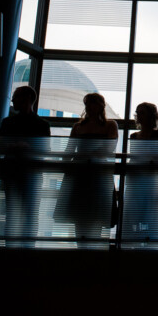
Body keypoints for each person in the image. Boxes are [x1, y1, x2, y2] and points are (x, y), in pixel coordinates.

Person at [56, 92, 119, 244]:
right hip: (85, 174)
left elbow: (109, 149)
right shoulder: (79, 127)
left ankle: (88, 251)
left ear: (100, 106)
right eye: (87, 104)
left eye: (92, 103)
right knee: (82, 215)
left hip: (94, 174)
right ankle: (85, 250)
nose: (89, 107)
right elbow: (69, 152)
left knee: (94, 214)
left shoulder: (108, 125)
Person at [0, 86, 51, 246]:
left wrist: (14, 147)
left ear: (27, 98)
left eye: (16, 97)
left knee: (12, 214)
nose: (12, 100)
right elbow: (45, 150)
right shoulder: (42, 124)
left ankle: (11, 248)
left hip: (13, 172)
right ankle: (27, 249)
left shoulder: (8, 123)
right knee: (29, 214)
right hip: (31, 173)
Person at [123, 102, 158, 244]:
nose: (139, 115)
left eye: (142, 112)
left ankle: (147, 241)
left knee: (149, 210)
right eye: (138, 112)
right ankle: (136, 240)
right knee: (135, 209)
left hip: (149, 177)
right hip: (136, 177)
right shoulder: (134, 136)